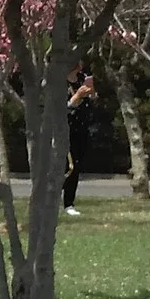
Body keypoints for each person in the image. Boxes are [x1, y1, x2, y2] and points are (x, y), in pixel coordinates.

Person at [62, 67, 99, 217]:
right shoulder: (59, 81)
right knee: (67, 166)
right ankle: (50, 199)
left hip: (82, 128)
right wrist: (76, 96)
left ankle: (69, 203)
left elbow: (92, 99)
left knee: (76, 166)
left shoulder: (83, 78)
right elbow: (60, 107)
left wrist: (92, 94)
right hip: (65, 129)